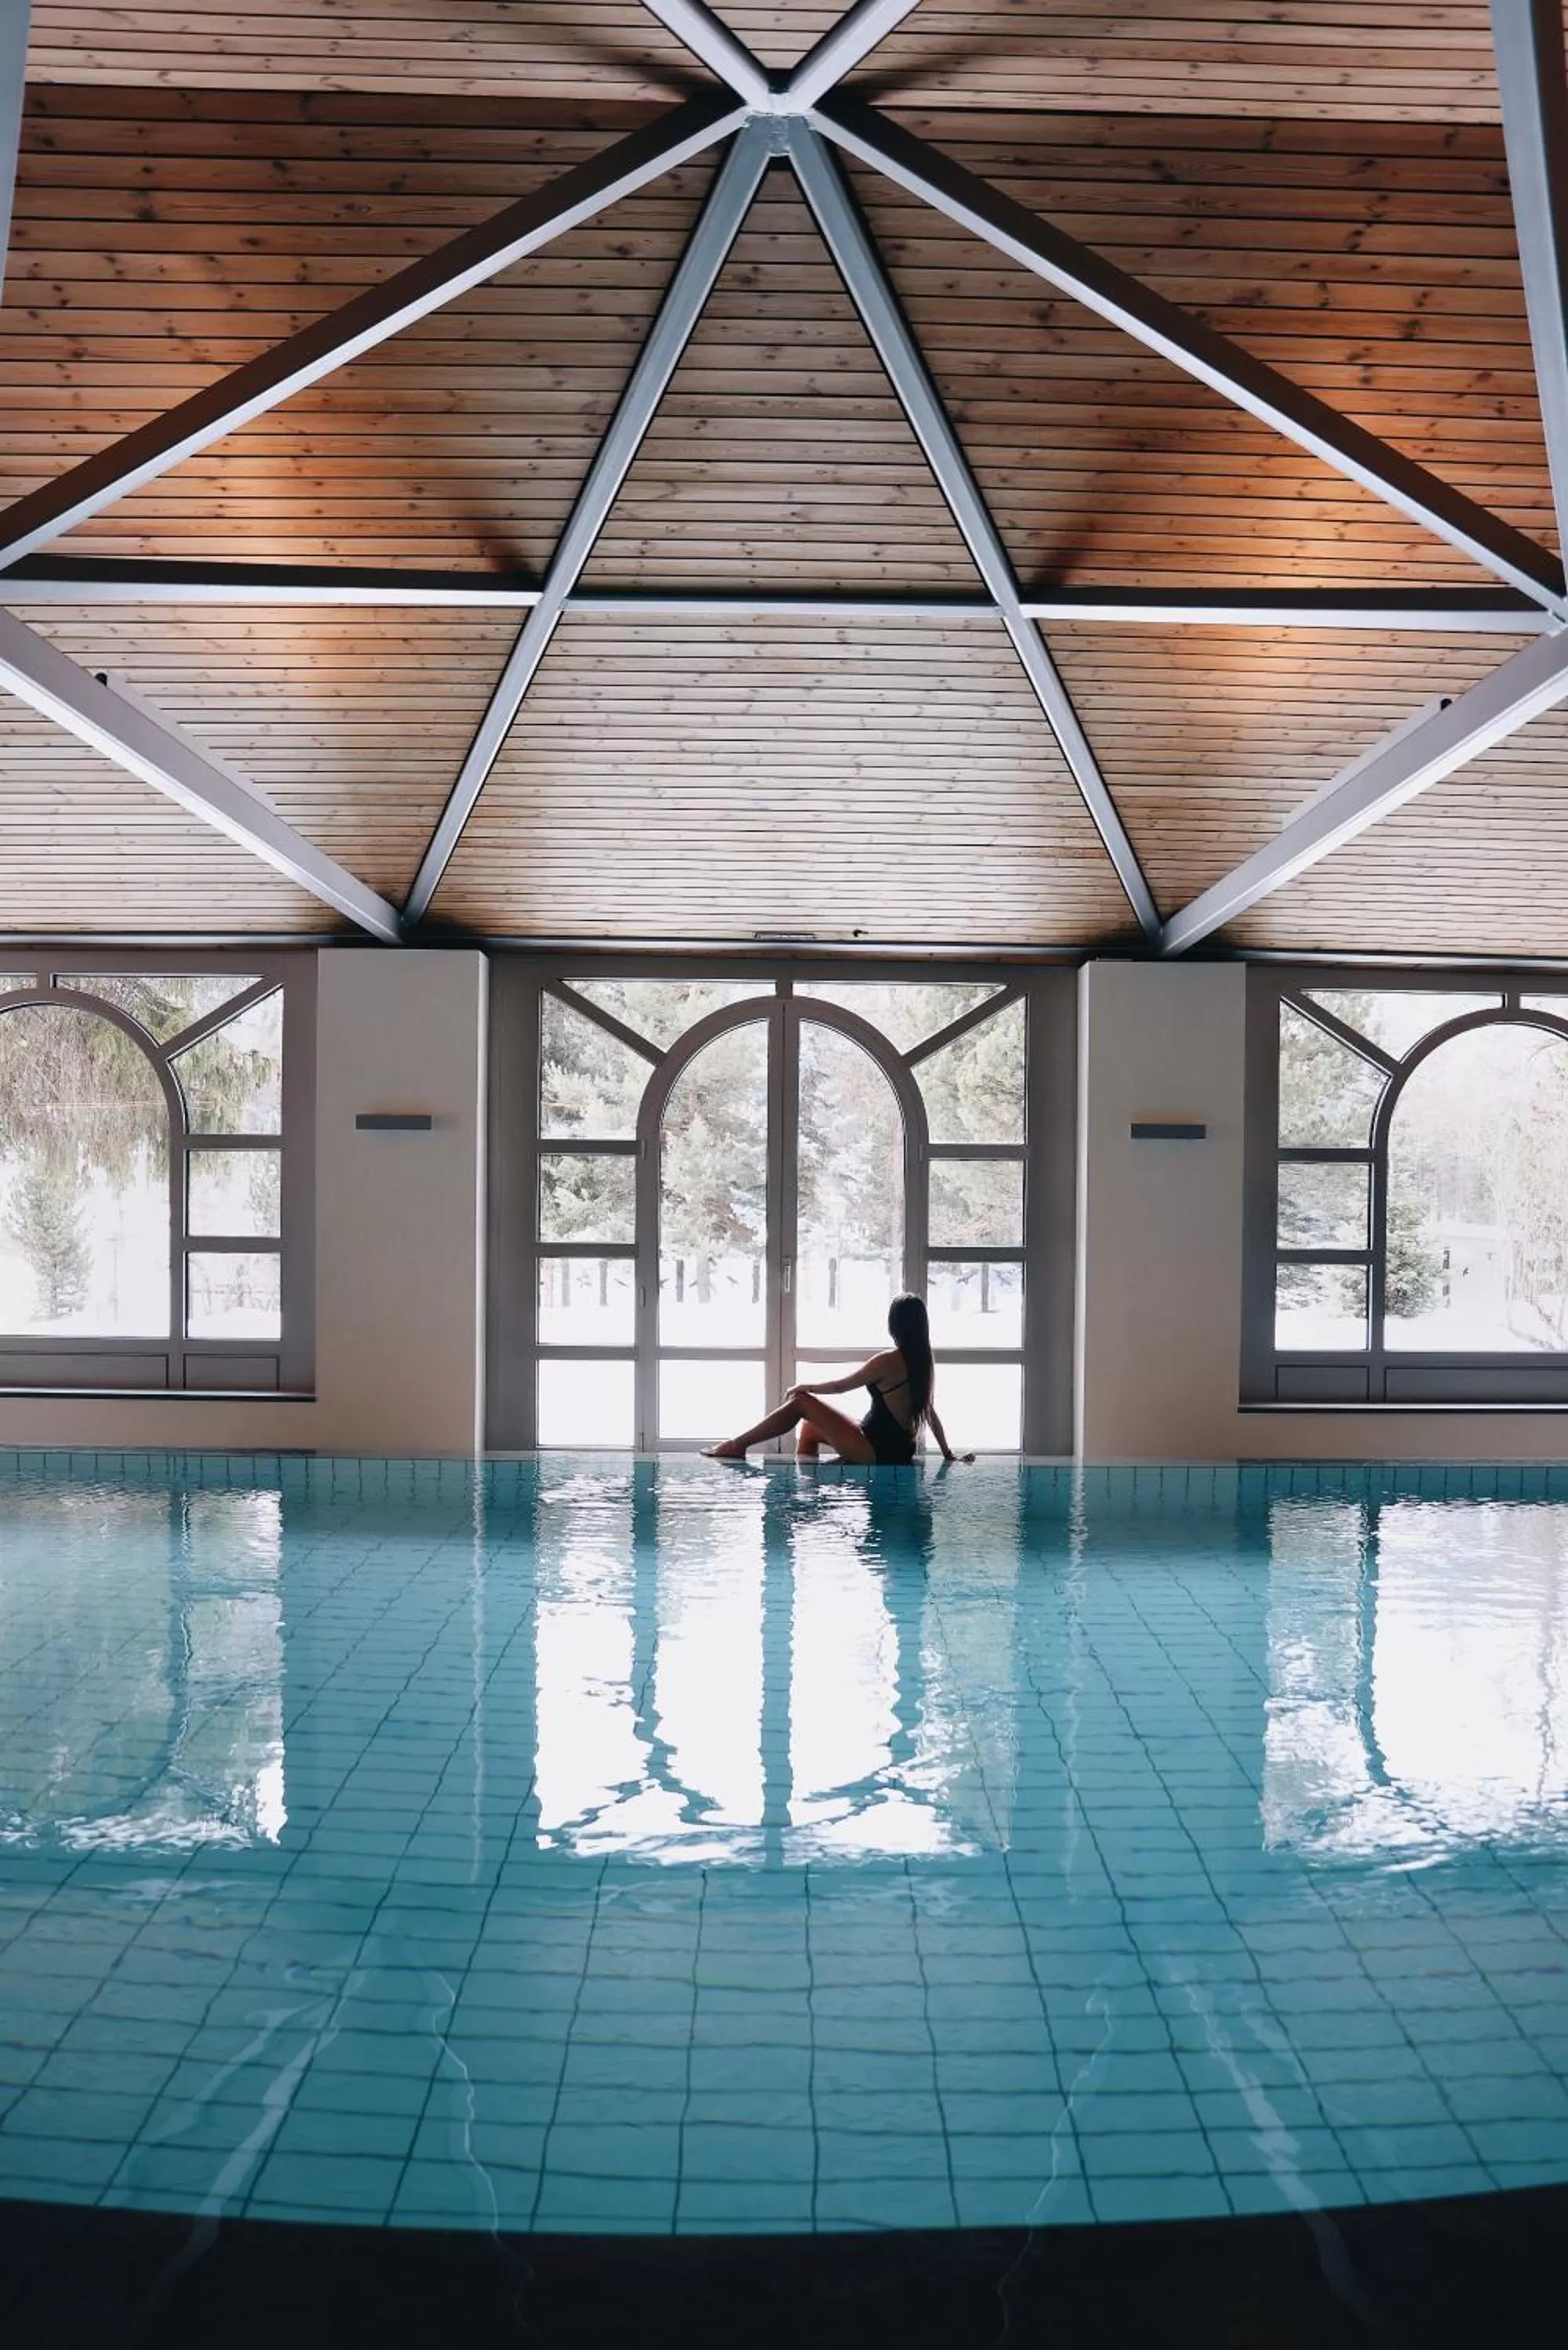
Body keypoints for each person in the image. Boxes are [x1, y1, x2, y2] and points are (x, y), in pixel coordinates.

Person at [702, 1292, 974, 1466]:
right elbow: (930, 1411)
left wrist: (805, 1387)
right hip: (898, 1449)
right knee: (809, 1429)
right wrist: (948, 1453)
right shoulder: (922, 1362)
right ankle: (810, 1487)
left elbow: (841, 1386)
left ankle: (737, 1446)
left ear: (895, 1325)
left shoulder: (888, 1361)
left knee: (801, 1403)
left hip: (875, 1450)